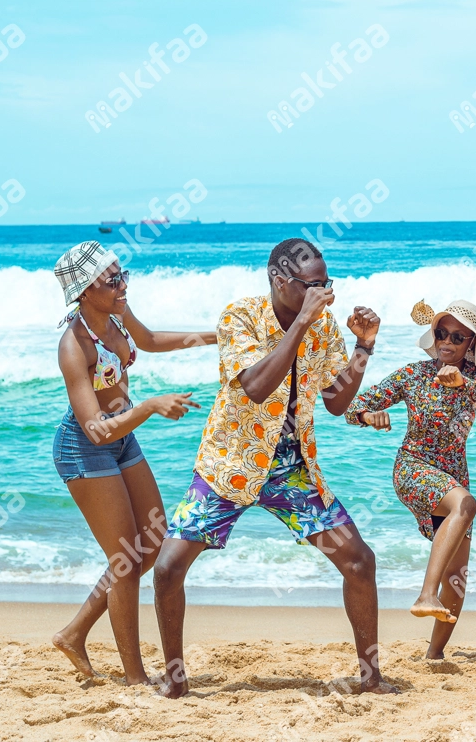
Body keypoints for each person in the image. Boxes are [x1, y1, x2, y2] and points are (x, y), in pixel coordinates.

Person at [152, 238, 395, 697]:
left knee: (360, 563)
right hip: (232, 463)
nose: (322, 293)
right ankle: (176, 680)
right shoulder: (238, 317)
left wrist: (364, 346)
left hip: (292, 469)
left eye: (326, 283)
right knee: (167, 569)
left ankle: (371, 678)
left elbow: (337, 402)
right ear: (280, 280)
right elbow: (255, 388)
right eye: (312, 284)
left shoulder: (322, 326)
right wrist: (302, 322)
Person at [51, 241, 215, 686]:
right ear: (85, 290)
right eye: (113, 279)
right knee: (124, 558)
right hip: (86, 448)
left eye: (122, 274)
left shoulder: (117, 315)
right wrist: (148, 406)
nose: (124, 284)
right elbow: (95, 429)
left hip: (121, 440)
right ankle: (135, 678)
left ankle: (73, 633)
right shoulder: (74, 346)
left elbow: (149, 341)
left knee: (154, 539)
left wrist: (218, 335)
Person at [345, 299, 476, 659]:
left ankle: (435, 654)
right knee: (466, 504)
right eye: (442, 333)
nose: (447, 341)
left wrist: (463, 383)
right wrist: (372, 417)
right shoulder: (414, 374)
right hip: (413, 468)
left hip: (453, 476)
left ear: (471, 344)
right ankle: (425, 594)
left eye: (458, 337)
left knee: (458, 574)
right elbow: (355, 408)